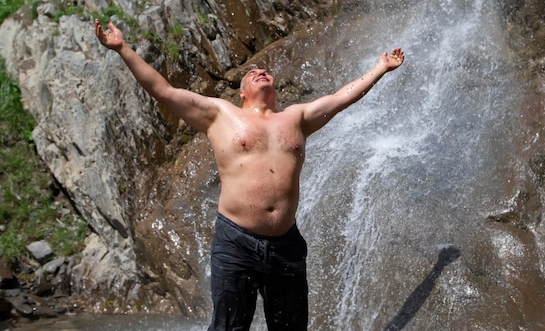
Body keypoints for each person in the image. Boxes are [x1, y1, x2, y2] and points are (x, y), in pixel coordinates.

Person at [94, 18, 405, 331]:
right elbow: (163, 90)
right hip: (236, 241)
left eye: (266, 71)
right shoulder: (219, 114)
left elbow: (341, 99)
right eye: (252, 73)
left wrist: (379, 68)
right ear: (242, 92)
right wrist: (122, 48)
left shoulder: (296, 118)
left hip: (286, 244)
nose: (261, 71)